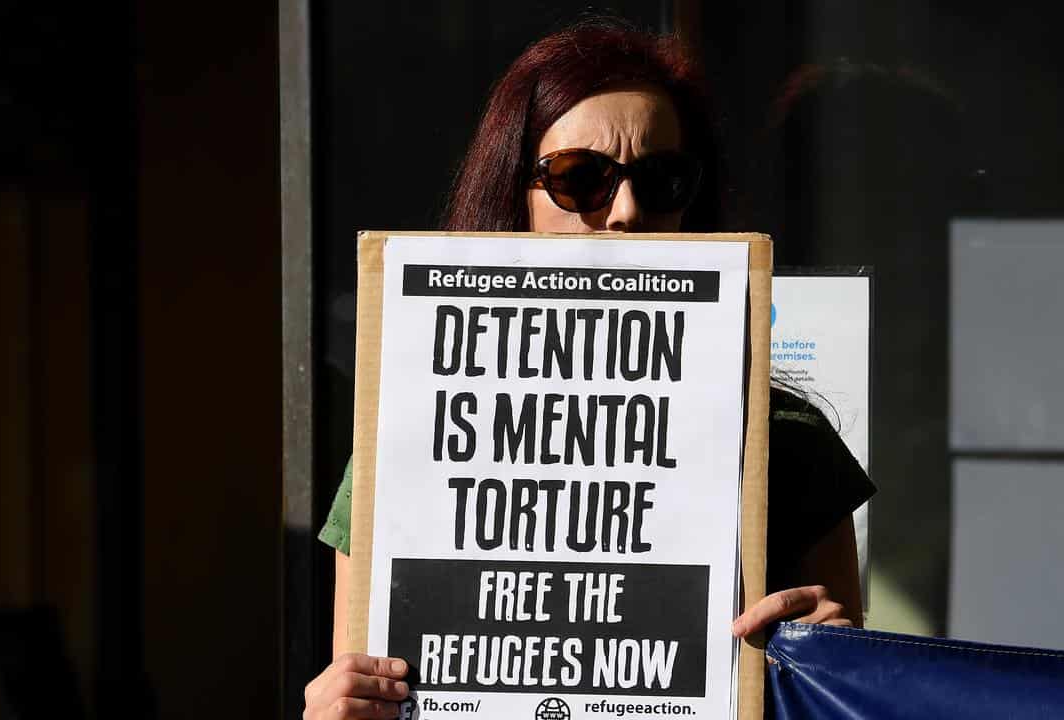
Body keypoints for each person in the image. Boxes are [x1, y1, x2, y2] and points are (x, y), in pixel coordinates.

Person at [303, 19, 875, 720]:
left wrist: (834, 669)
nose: (627, 212)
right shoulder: (407, 437)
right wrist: (339, 708)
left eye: (663, 179)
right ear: (516, 194)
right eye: (581, 179)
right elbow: (362, 677)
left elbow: (841, 697)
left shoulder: (789, 438)